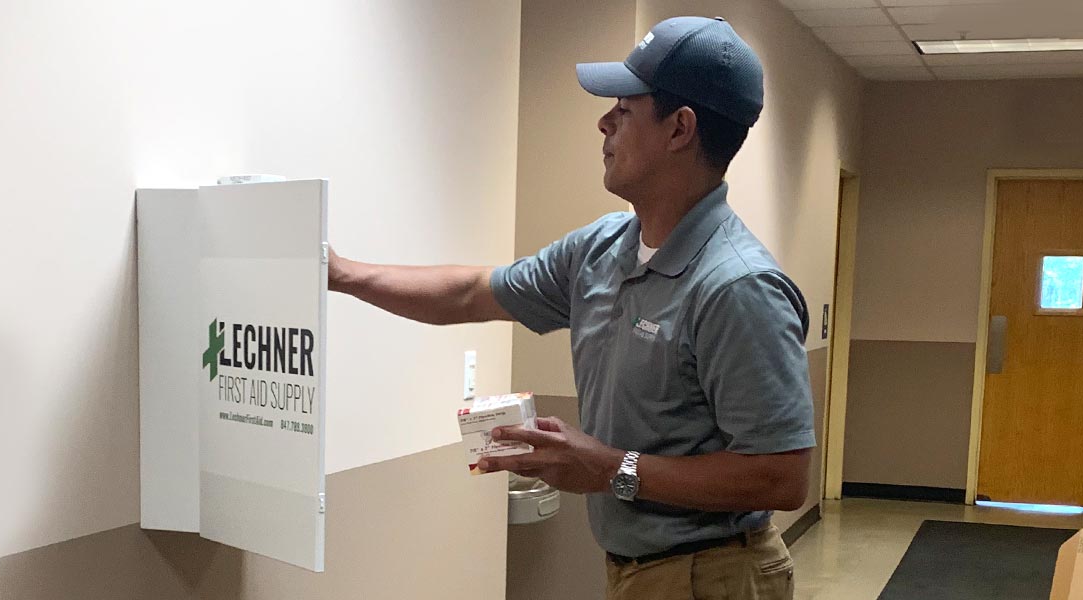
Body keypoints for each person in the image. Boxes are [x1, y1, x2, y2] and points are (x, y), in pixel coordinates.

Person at [328, 16, 814, 600]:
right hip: (634, 569)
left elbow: (780, 477)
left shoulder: (736, 287)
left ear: (680, 129)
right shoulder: (600, 250)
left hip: (715, 576)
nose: (603, 122)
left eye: (625, 109)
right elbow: (468, 292)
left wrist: (610, 467)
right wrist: (340, 274)